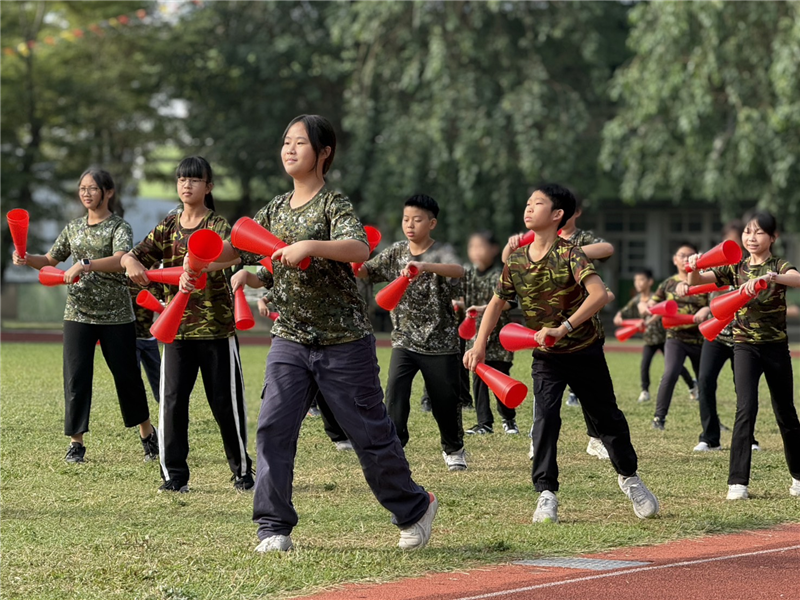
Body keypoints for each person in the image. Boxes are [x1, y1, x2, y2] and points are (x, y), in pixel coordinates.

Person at [224, 114, 435, 552]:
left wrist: (310, 246)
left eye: (299, 143)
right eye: (285, 141)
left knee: (369, 435)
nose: (289, 149)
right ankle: (273, 527)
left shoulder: (333, 205)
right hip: (291, 339)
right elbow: (248, 252)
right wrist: (223, 265)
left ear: (323, 153)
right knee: (273, 429)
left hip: (344, 343)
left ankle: (414, 507)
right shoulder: (274, 210)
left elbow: (359, 248)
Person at [465, 184, 659, 523]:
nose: (528, 208)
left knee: (607, 419)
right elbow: (497, 302)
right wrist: (479, 344)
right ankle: (546, 493)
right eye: (527, 203)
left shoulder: (571, 253)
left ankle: (629, 478)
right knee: (545, 420)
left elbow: (599, 295)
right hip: (547, 357)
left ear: (557, 215)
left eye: (537, 204)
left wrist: (563, 328)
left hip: (584, 349)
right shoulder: (516, 261)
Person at [121, 156, 253, 494]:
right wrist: (130, 263)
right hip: (176, 330)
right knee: (173, 402)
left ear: (208, 187)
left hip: (216, 329)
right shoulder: (167, 225)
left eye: (194, 180)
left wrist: (203, 264)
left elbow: (236, 252)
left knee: (226, 403)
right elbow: (136, 255)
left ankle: (242, 471)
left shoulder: (218, 225)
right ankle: (174, 475)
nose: (186, 185)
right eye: (182, 179)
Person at [12, 168, 158, 464]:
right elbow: (51, 261)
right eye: (82, 188)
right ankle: (76, 443)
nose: (86, 193)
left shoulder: (119, 227)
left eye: (92, 188)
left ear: (108, 192)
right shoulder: (73, 228)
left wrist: (86, 264)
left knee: (127, 378)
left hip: (116, 315)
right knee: (76, 378)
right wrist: (27, 259)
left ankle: (147, 434)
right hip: (78, 313)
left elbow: (121, 259)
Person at [687, 210, 800, 500]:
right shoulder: (735, 266)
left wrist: (773, 276)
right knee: (745, 408)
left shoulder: (779, 265)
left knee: (785, 411)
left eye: (759, 232)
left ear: (773, 237)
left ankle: (798, 477)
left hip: (775, 347)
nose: (751, 237)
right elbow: (700, 280)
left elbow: (796, 279)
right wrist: (693, 265)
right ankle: (738, 483)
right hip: (744, 346)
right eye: (748, 232)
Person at [358, 194, 467, 471]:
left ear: (431, 223)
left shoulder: (441, 252)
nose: (410, 225)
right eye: (406, 219)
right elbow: (367, 271)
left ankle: (453, 449)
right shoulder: (396, 252)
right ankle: (394, 448)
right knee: (395, 393)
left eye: (417, 220)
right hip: (404, 340)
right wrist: (355, 265)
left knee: (445, 401)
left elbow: (458, 271)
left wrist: (425, 267)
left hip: (440, 342)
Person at [232, 266, 353, 451]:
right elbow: (266, 279)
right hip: (290, 336)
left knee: (327, 387)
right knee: (281, 392)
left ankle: (340, 435)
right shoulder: (280, 262)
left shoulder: (326, 265)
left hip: (324, 335)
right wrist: (257, 290)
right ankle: (275, 445)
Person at [691, 221, 759, 452]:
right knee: (705, 381)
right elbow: (700, 286)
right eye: (727, 242)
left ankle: (748, 440)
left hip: (744, 337)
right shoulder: (719, 266)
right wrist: (694, 268)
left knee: (744, 390)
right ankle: (710, 438)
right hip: (718, 335)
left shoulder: (753, 266)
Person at [461, 231, 518, 435]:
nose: (475, 251)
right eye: (472, 247)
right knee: (478, 378)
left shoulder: (500, 275)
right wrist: (458, 305)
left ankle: (509, 420)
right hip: (476, 338)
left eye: (480, 246)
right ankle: (484, 423)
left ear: (494, 249)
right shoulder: (468, 276)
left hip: (499, 338)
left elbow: (511, 302)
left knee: (500, 380)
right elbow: (463, 299)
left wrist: (485, 308)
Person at [647, 242, 707, 430]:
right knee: (671, 372)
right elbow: (652, 304)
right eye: (682, 255)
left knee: (705, 380)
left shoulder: (705, 281)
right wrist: (651, 309)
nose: (685, 259)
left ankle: (712, 422)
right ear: (675, 259)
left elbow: (714, 303)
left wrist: (705, 310)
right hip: (676, 337)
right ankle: (659, 418)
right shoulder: (668, 284)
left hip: (700, 338)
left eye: (690, 255)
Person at [613, 268, 695, 404]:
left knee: (676, 367)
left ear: (650, 282)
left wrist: (646, 322)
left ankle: (692, 386)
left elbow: (660, 313)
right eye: (635, 280)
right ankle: (644, 391)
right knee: (644, 365)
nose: (638, 283)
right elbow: (622, 314)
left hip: (664, 339)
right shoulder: (636, 300)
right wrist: (620, 318)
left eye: (641, 280)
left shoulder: (656, 297)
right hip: (649, 340)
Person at [127, 275, 163, 403]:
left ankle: (166, 413)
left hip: (149, 338)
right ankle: (141, 417)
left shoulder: (156, 284)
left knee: (159, 379)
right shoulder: (126, 283)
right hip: (131, 338)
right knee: (133, 380)